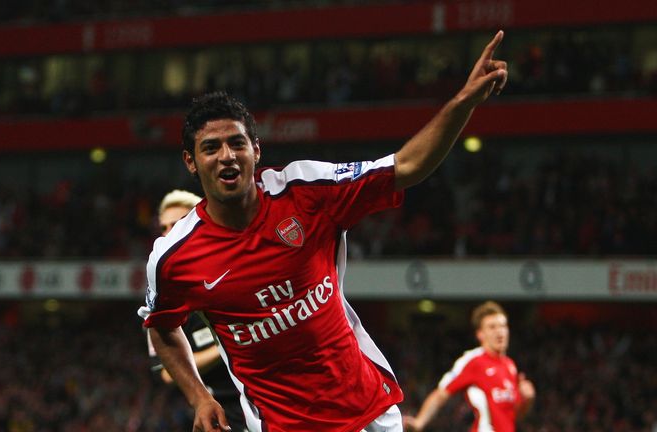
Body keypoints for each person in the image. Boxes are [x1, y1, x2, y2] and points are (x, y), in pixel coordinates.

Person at [138, 30, 509, 432]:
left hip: (368, 413)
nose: (226, 156)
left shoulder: (306, 191)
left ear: (256, 150)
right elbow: (162, 326)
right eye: (211, 148)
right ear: (191, 162)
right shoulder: (174, 256)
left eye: (237, 143)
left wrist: (463, 102)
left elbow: (406, 166)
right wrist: (199, 397)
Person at [148, 189, 247, 432]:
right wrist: (226, 343)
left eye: (178, 224)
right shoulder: (165, 299)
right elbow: (168, 374)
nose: (169, 233)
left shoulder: (238, 273)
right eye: (164, 227)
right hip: (225, 417)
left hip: (273, 405)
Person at [403, 301, 535, 432]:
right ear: (480, 334)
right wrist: (419, 421)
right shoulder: (473, 361)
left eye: (503, 326)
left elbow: (514, 416)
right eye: (492, 327)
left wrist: (527, 399)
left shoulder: (510, 365)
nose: (499, 332)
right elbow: (440, 394)